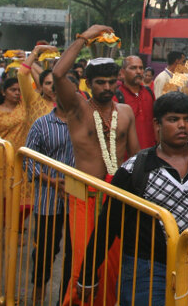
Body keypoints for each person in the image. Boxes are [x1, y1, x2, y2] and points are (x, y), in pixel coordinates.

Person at [79, 92, 188, 306]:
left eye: (187, 119)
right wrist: (88, 275)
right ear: (157, 124)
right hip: (143, 268)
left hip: (185, 265)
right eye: (174, 119)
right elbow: (108, 224)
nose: (182, 126)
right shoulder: (134, 170)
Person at [52, 24, 139, 306]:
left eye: (112, 81)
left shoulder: (124, 112)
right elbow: (57, 73)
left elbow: (136, 157)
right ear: (88, 84)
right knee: (84, 264)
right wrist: (84, 38)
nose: (107, 87)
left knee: (112, 268)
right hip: (84, 196)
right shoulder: (77, 108)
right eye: (100, 82)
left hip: (116, 197)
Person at [24, 78, 78, 302]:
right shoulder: (41, 124)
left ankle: (64, 298)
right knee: (46, 249)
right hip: (48, 198)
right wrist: (53, 181)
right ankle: (38, 291)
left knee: (73, 254)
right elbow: (28, 160)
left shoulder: (85, 123)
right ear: (55, 95)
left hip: (78, 199)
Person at [116, 56, 156, 149]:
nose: (138, 71)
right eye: (133, 68)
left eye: (141, 68)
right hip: (128, 158)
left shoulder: (149, 93)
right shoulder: (117, 97)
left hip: (150, 153)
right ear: (122, 72)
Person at [18, 44, 57, 131]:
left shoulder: (66, 104)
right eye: (48, 83)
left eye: (55, 83)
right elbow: (22, 74)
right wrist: (37, 49)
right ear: (41, 85)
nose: (52, 87)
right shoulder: (33, 100)